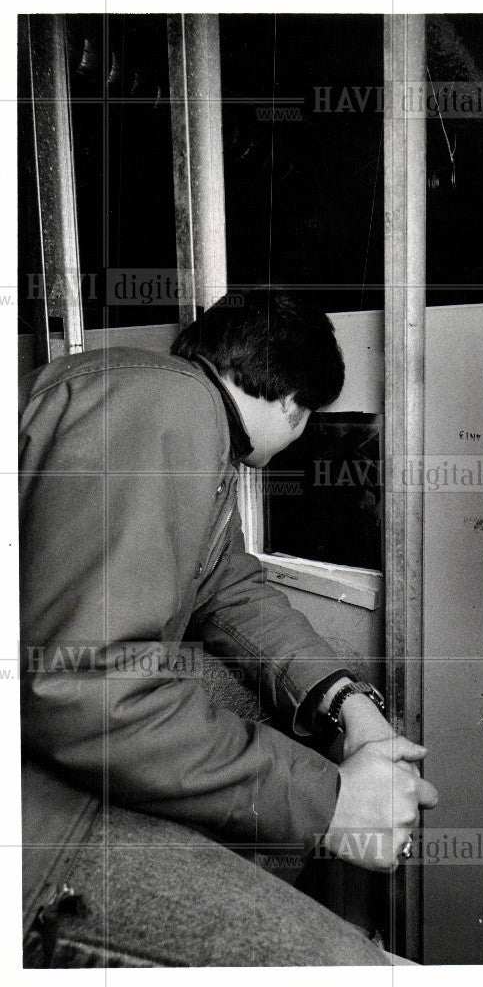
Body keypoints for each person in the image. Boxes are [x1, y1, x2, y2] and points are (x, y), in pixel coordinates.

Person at [19, 289, 438, 967]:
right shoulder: (167, 409)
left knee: (257, 705)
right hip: (30, 818)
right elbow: (82, 687)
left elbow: (228, 588)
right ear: (294, 404)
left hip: (43, 746)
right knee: (350, 969)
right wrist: (330, 804)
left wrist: (347, 704)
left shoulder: (159, 400)